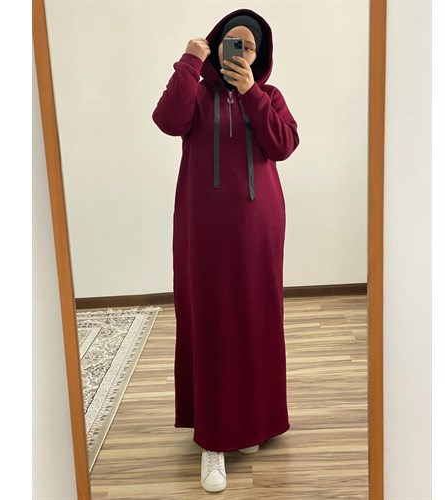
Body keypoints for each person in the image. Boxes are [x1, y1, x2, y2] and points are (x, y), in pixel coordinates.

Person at [152, 8, 300, 493]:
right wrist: (187, 63)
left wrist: (251, 93)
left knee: (256, 319)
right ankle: (213, 441)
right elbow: (167, 121)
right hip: (205, 229)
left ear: (259, 55)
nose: (239, 52)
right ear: (216, 45)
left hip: (260, 229)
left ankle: (251, 423)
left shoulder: (269, 97)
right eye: (231, 42)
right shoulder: (196, 93)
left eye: (248, 46)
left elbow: (283, 145)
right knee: (212, 322)